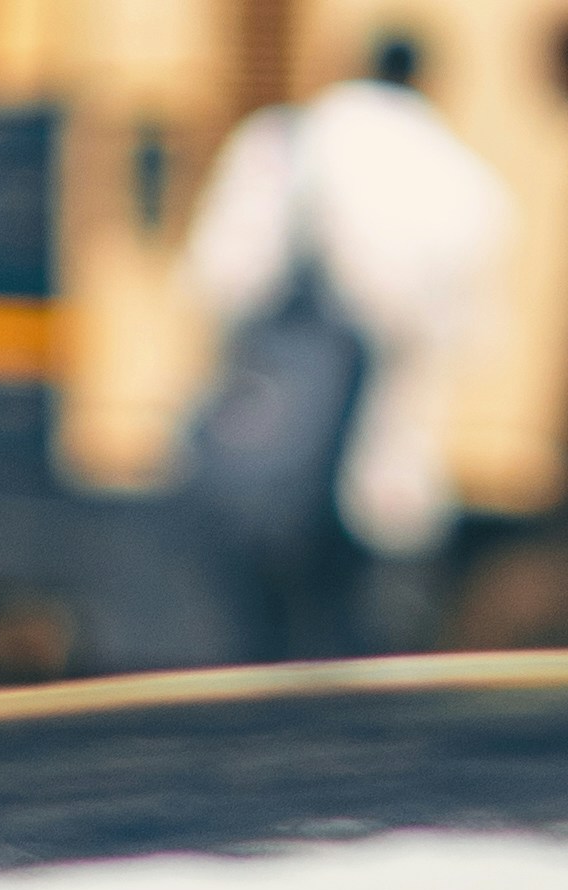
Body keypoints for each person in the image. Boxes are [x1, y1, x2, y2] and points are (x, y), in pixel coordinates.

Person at [179, 33, 513, 652]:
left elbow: (220, 279)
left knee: (253, 668)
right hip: (390, 488)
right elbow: (474, 342)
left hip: (270, 476)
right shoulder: (471, 186)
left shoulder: (285, 146)